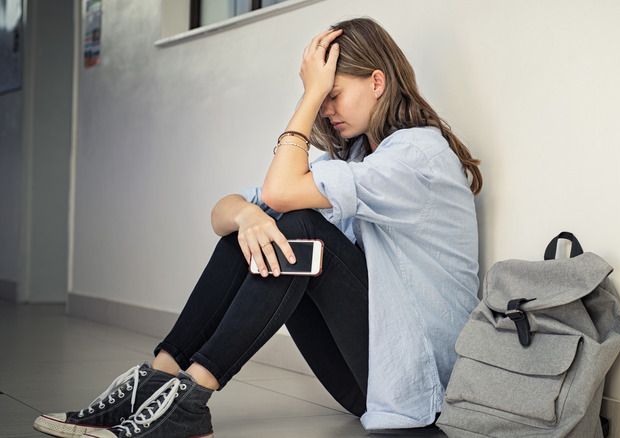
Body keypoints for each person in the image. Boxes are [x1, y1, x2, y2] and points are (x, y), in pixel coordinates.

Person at [33, 17, 482, 438]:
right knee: (254, 228)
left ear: (377, 82)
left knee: (298, 224)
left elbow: (281, 193)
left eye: (332, 95)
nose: (325, 110)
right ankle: (158, 379)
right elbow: (224, 213)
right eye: (320, 99)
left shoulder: (416, 156)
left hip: (419, 385)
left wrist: (308, 95)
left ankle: (189, 399)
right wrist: (248, 217)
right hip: (371, 382)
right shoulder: (358, 158)